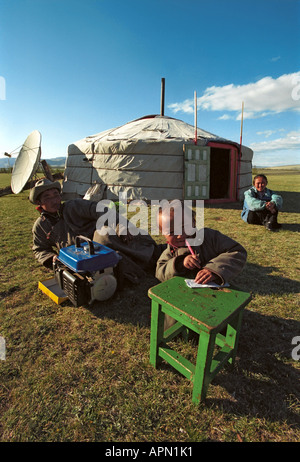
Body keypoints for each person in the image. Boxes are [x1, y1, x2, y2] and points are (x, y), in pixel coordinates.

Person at [30, 178, 165, 283]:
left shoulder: (74, 206)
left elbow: (104, 211)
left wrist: (120, 226)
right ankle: (131, 271)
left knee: (104, 234)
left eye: (56, 195)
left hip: (106, 243)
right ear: (39, 203)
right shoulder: (41, 226)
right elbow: (39, 249)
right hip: (81, 260)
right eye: (47, 197)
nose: (54, 200)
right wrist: (51, 258)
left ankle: (151, 257)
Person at [155, 205, 247, 329]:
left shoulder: (209, 237)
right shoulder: (170, 252)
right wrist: (179, 263)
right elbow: (160, 272)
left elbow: (237, 251)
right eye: (171, 232)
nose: (180, 235)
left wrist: (213, 269)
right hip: (183, 300)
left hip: (215, 297)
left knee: (221, 324)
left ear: (193, 222)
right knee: (175, 327)